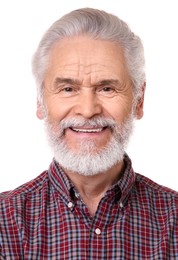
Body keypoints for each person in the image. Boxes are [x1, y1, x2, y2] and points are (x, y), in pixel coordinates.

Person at [0, 7, 178, 259]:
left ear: (139, 100)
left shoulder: (174, 222)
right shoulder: (5, 223)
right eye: (68, 89)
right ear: (40, 102)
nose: (87, 110)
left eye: (107, 88)